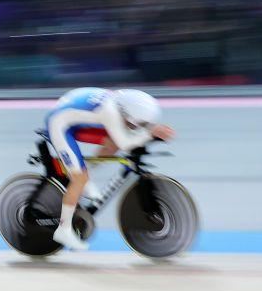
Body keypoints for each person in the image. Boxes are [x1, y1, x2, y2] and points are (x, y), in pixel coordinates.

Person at [45, 88, 175, 250]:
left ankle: (82, 176)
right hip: (59, 124)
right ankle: (63, 229)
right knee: (80, 178)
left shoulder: (122, 104)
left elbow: (126, 133)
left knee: (112, 142)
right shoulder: (110, 112)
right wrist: (149, 134)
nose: (139, 127)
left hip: (75, 114)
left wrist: (149, 131)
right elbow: (125, 144)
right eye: (140, 124)